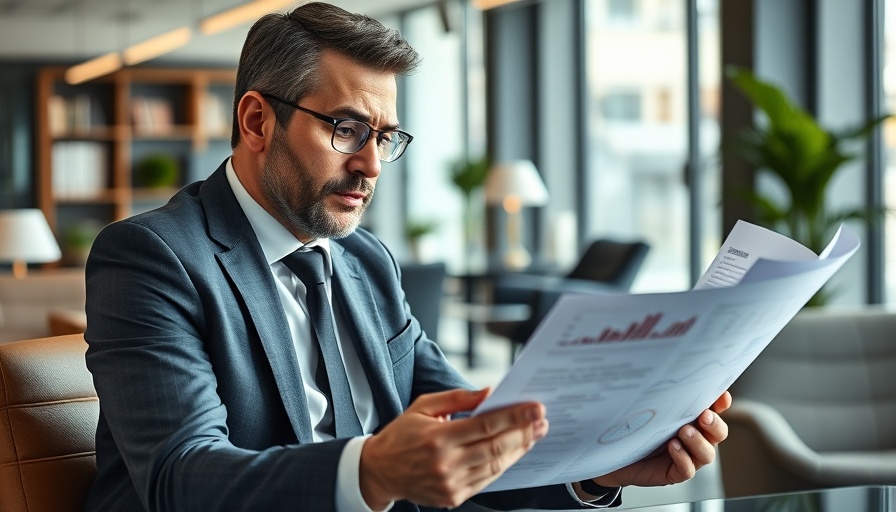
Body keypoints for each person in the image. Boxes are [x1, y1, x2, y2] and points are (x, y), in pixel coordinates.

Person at [83, 3, 730, 511]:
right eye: (346, 129)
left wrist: (592, 465)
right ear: (257, 122)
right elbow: (180, 480)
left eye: (385, 138)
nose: (369, 165)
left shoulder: (366, 262)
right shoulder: (152, 257)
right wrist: (371, 471)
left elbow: (472, 431)